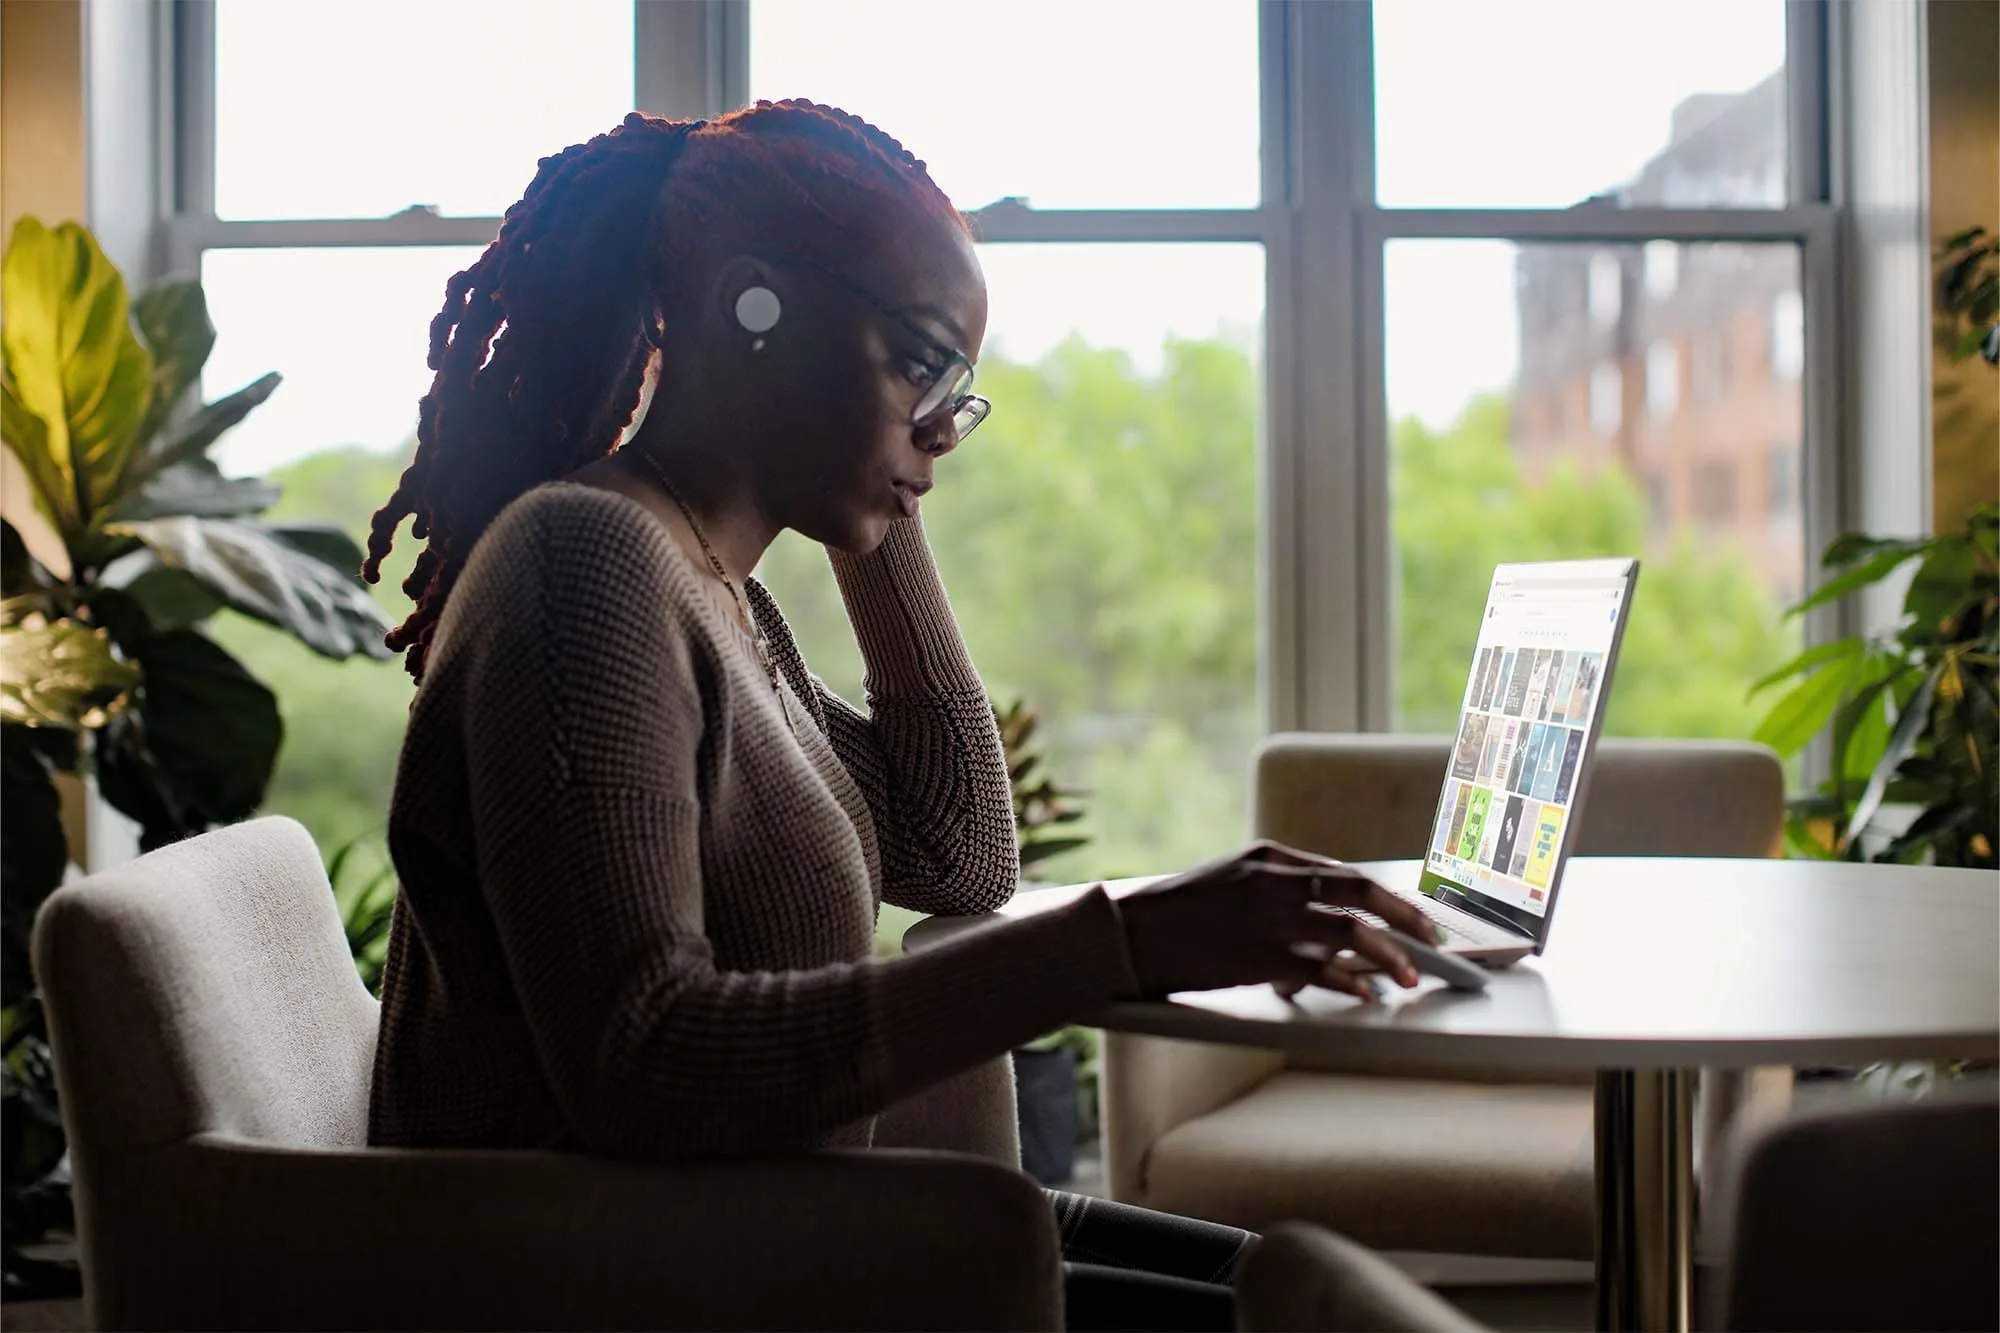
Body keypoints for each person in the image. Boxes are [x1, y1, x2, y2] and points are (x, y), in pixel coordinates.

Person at [363, 101, 1434, 1331]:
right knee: (1320, 1311)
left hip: (765, 1246)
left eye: (957, 391)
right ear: (750, 307)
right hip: (623, 1281)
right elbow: (644, 1067)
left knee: (1300, 1278)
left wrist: (873, 500)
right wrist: (1129, 938)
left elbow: (955, 852)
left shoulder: (715, 587)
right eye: (920, 359)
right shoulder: (582, 567)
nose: (942, 426)